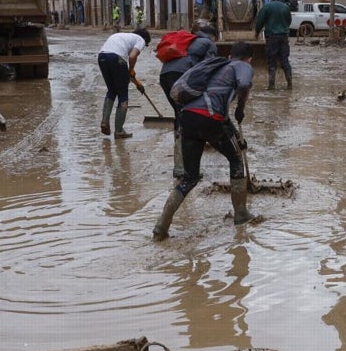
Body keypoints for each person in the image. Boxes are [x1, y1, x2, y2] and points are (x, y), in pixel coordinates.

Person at [153, 40, 255, 240]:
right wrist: (241, 108)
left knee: (189, 178)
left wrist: (235, 135)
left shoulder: (217, 68)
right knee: (236, 160)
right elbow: (243, 84)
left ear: (229, 56)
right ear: (249, 59)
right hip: (210, 119)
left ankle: (161, 226)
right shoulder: (243, 66)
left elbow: (221, 115)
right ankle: (241, 214)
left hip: (188, 118)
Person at [160, 22, 218, 177]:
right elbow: (208, 67)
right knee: (186, 118)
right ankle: (183, 169)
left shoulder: (189, 40)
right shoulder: (209, 43)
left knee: (180, 115)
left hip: (165, 76)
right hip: (182, 77)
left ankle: (180, 166)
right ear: (213, 36)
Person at [98, 27, 150, 138]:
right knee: (123, 95)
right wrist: (131, 69)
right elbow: (132, 57)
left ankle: (104, 121)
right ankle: (119, 131)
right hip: (117, 59)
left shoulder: (121, 36)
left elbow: (123, 70)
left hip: (102, 57)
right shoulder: (140, 40)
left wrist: (137, 83)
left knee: (112, 91)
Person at [254, 0, 292, 90]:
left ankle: (271, 85)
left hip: (271, 37)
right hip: (284, 37)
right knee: (285, 60)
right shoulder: (285, 7)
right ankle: (290, 84)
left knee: (271, 61)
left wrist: (257, 32)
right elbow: (289, 21)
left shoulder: (267, 7)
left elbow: (260, 21)